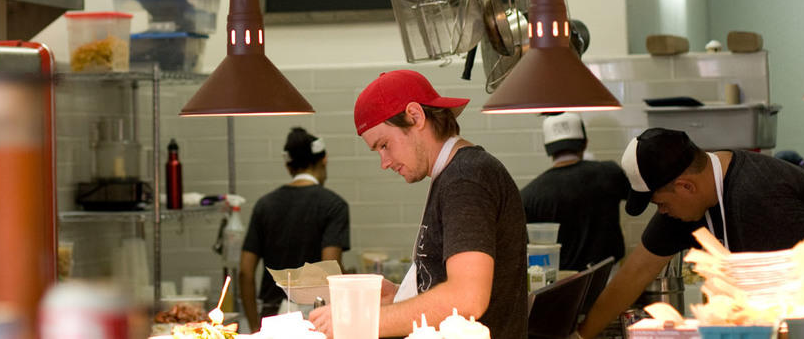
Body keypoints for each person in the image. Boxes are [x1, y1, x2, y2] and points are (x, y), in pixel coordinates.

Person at [575, 128, 804, 339]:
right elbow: (635, 273)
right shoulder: (688, 201)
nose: (661, 212)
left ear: (686, 186)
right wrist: (580, 336)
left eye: (660, 203)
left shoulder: (758, 197)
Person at [308, 70, 527, 339]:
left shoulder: (466, 178)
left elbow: (467, 297)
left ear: (415, 116)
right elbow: (452, 289)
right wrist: (399, 297)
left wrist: (361, 321)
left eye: (385, 145)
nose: (384, 162)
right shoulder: (453, 175)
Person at [240, 127, 351, 329]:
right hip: (314, 317)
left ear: (289, 167)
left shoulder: (264, 205)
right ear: (324, 159)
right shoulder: (333, 205)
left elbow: (245, 273)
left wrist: (255, 327)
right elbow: (329, 270)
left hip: (270, 317)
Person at [519, 112, 630, 270]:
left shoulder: (529, 195)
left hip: (559, 284)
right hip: (609, 276)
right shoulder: (609, 173)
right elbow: (637, 202)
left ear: (547, 149)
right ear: (585, 143)